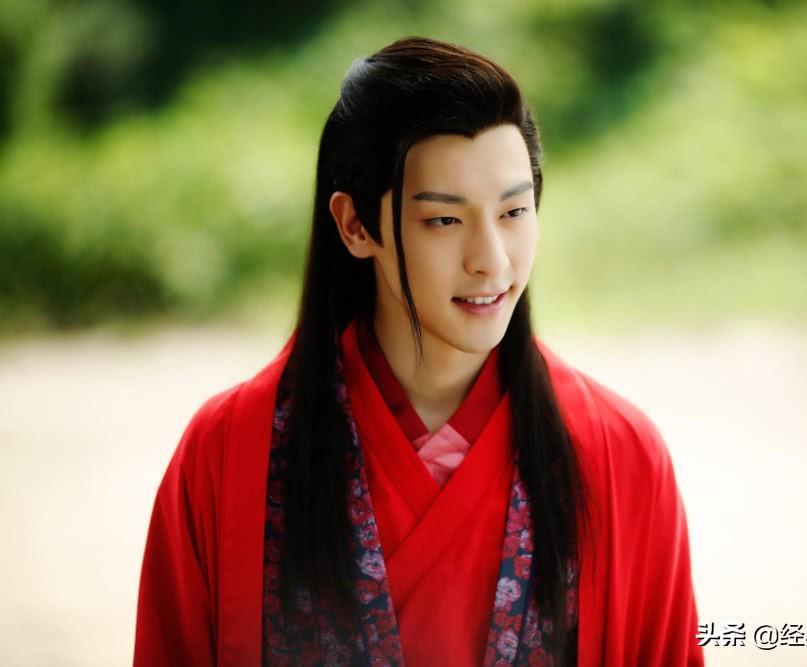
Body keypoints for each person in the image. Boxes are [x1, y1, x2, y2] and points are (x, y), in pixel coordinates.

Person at [133, 36, 704, 667]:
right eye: (444, 220)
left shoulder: (620, 456)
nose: (491, 260)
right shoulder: (230, 453)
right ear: (356, 225)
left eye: (514, 211)